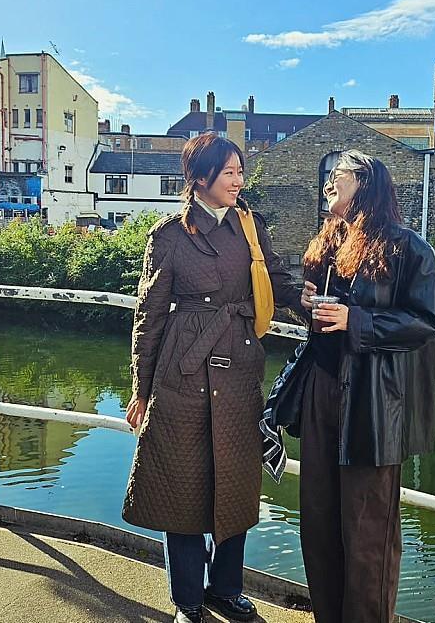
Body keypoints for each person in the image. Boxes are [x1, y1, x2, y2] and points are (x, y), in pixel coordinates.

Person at [122, 132, 302, 623]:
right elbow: (149, 316)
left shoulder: (250, 226)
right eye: (229, 173)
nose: (238, 181)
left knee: (238, 482)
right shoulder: (169, 235)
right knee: (181, 486)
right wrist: (141, 389)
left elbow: (276, 281)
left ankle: (225, 589)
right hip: (182, 374)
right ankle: (188, 600)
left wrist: (309, 306)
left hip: (240, 368)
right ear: (200, 177)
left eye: (241, 172)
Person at [295, 150, 435, 623]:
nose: (328, 183)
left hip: (373, 403)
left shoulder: (408, 248)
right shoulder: (328, 243)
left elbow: (425, 323)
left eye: (337, 175)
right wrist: (306, 304)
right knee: (319, 521)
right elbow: (321, 320)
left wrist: (354, 320)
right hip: (322, 391)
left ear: (365, 182)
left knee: (367, 533)